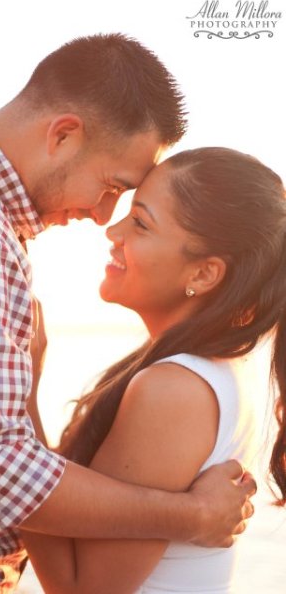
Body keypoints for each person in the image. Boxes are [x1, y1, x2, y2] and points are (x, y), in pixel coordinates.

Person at [0, 34, 255, 593]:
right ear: (63, 134)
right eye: (113, 186)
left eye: (133, 210)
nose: (105, 216)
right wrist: (192, 516)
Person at [23, 146, 286, 594]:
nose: (114, 230)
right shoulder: (220, 366)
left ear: (204, 275)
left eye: (141, 223)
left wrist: (22, 396)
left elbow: (80, 590)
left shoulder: (175, 388)